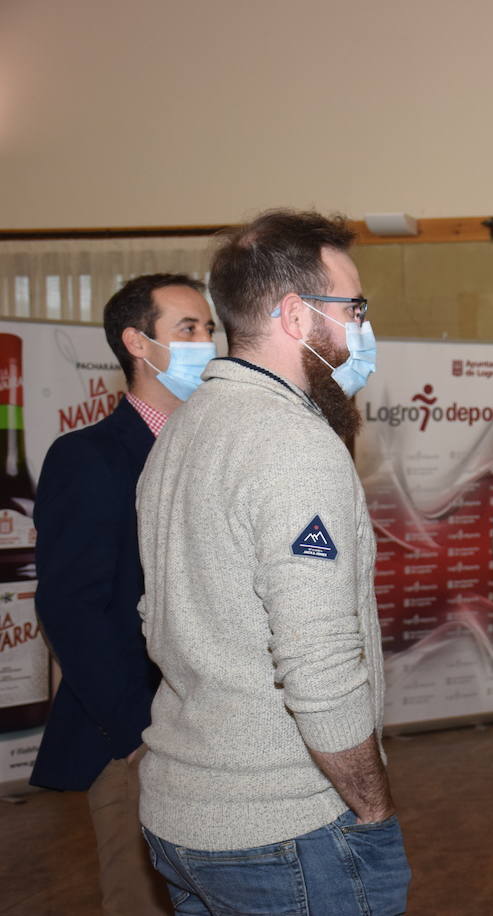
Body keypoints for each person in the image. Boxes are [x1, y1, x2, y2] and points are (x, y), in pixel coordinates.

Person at [135, 210, 409, 914]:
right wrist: (372, 807)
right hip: (287, 828)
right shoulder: (292, 442)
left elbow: (157, 612)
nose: (359, 327)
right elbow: (317, 663)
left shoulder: (185, 426)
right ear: (295, 315)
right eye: (352, 307)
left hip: (183, 815)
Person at [30, 274, 215, 915]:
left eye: (210, 328)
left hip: (219, 731)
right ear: (138, 342)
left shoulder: (217, 447)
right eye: (187, 329)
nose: (206, 343)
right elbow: (70, 604)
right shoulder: (89, 458)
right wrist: (136, 730)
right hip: (138, 736)